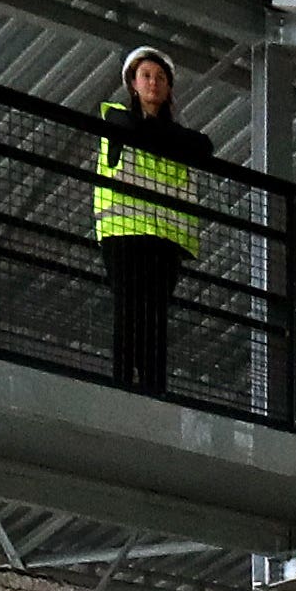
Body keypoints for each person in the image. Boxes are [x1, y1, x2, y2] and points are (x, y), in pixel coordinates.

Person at [93, 46, 211, 397]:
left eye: (160, 78)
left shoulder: (176, 136)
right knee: (129, 311)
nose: (154, 83)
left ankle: (151, 388)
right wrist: (167, 139)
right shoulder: (114, 116)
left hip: (164, 242)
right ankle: (123, 384)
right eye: (146, 76)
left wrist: (160, 136)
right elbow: (134, 128)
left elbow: (203, 146)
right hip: (124, 233)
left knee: (154, 318)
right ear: (132, 84)